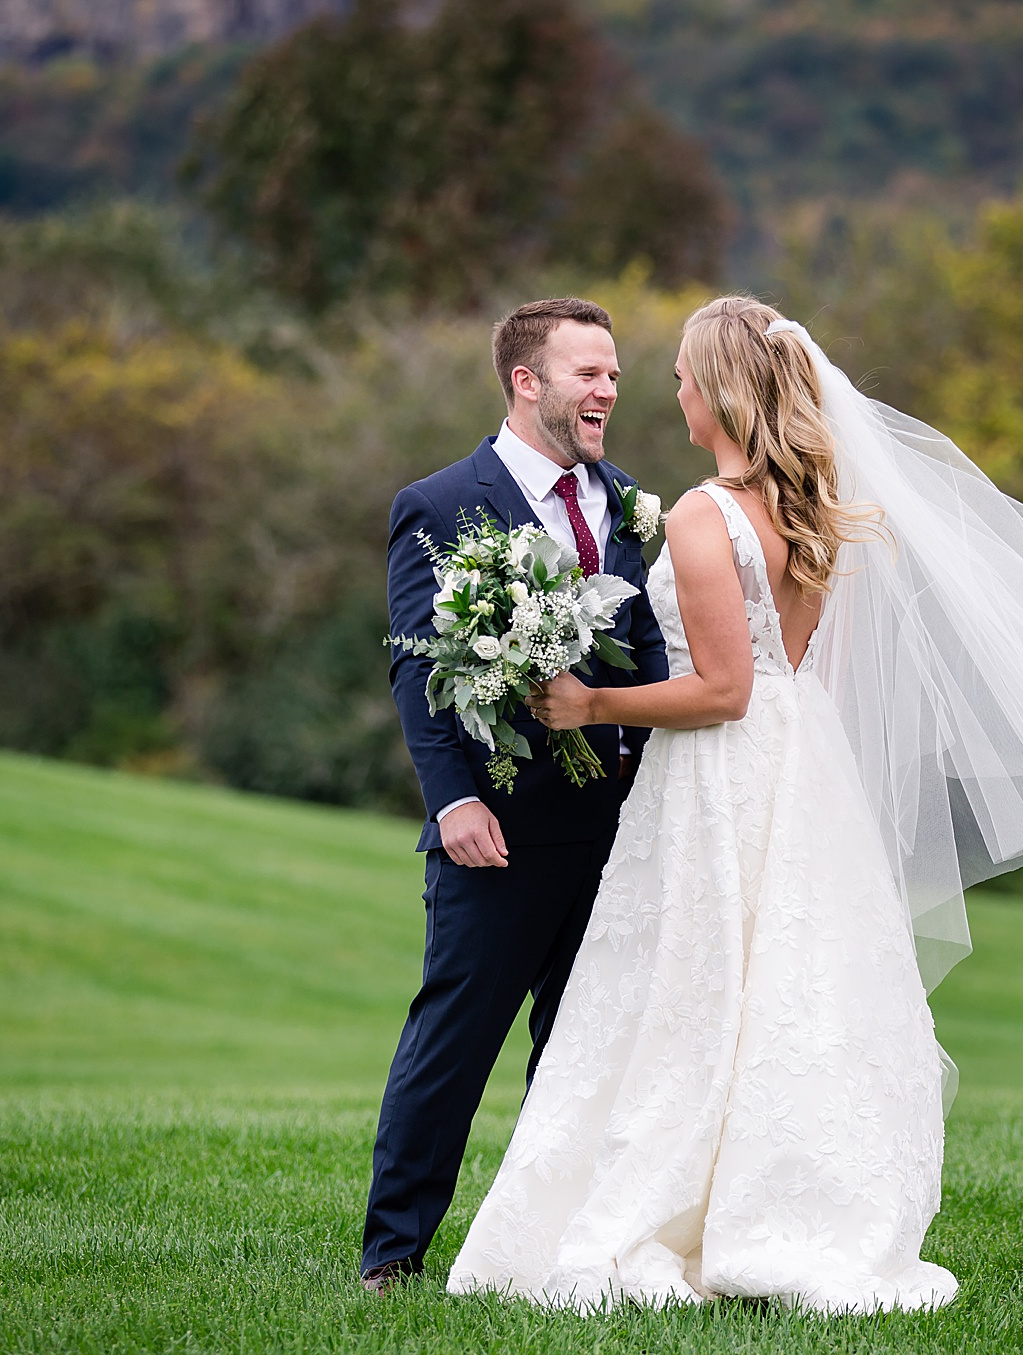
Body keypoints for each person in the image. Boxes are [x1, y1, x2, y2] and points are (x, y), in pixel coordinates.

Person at [445, 297, 1023, 1312]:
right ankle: (785, 1197)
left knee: (697, 989)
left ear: (718, 389)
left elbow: (723, 689)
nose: (666, 390)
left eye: (678, 373)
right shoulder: (811, 504)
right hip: (805, 767)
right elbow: (780, 673)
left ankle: (682, 1212)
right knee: (788, 983)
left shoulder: (705, 513)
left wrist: (588, 701)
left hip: (721, 774)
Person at [361, 297, 669, 1293]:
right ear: (524, 381)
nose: (608, 390)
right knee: (452, 1044)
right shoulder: (440, 502)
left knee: (579, 1055)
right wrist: (453, 803)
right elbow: (415, 666)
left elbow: (651, 657)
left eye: (615, 374)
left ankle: (552, 1249)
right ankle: (393, 1253)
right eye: (588, 372)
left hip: (615, 828)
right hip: (494, 831)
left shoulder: (626, 499)